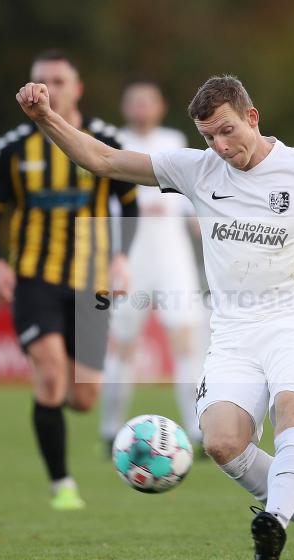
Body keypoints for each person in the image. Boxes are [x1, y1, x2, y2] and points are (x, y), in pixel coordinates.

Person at [15, 74, 294, 560]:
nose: (219, 145)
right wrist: (46, 118)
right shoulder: (198, 170)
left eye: (227, 131)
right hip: (234, 333)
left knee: (292, 416)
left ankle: (274, 523)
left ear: (252, 117)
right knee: (221, 442)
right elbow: (102, 159)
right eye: (208, 136)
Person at [0, 49, 138, 511]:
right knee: (50, 376)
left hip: (92, 282)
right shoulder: (11, 148)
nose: (49, 88)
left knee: (84, 398)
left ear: (78, 88)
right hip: (34, 278)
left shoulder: (105, 139)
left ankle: (54, 410)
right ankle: (62, 485)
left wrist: (122, 257)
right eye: (40, 80)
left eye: (59, 80)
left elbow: (129, 203)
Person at [100, 80, 203, 453]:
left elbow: (193, 200)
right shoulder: (112, 141)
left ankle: (195, 431)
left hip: (173, 256)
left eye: (149, 101)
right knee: (123, 344)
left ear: (161, 106)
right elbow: (104, 199)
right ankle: (111, 429)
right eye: (135, 101)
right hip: (132, 256)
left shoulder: (175, 141)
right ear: (125, 106)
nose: (142, 107)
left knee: (186, 343)